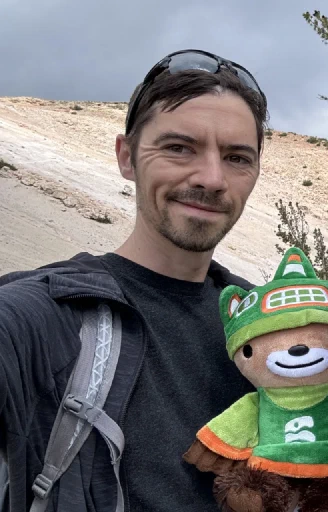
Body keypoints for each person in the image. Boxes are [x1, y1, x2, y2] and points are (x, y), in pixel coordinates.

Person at [0, 49, 268, 512]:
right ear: (127, 158)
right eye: (179, 148)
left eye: (237, 157)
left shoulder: (265, 324)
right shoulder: (44, 314)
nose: (211, 177)